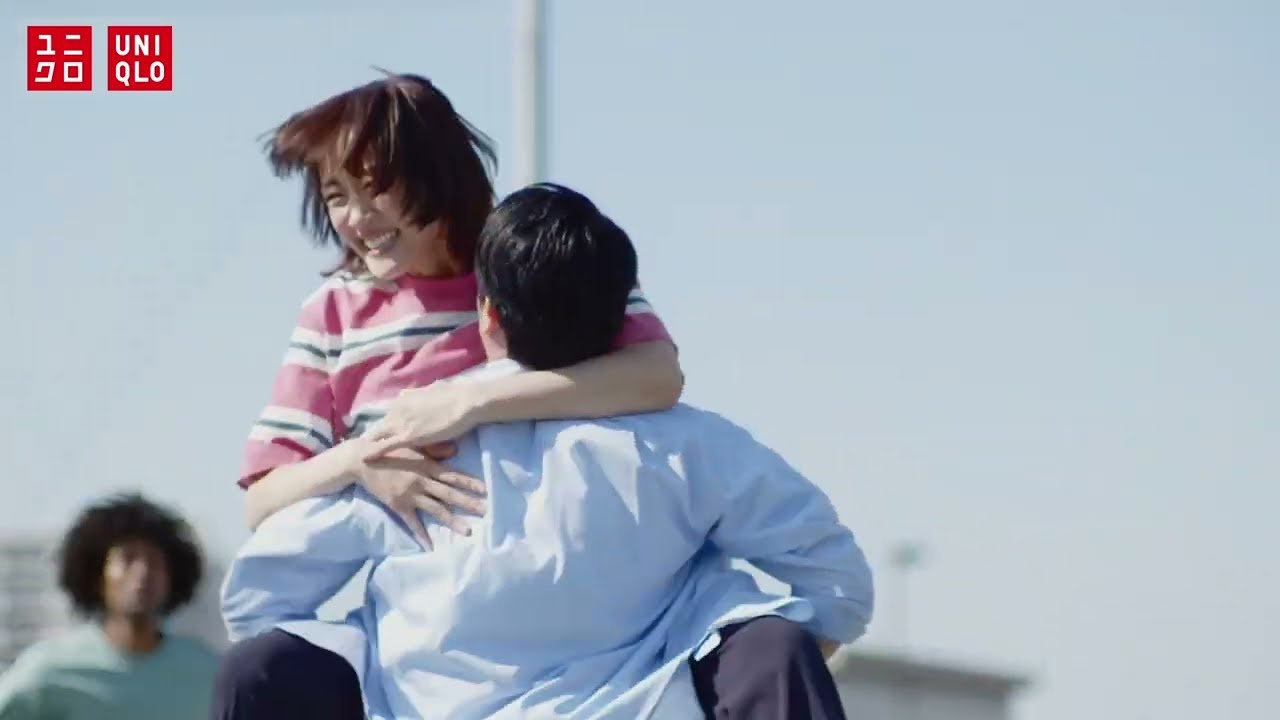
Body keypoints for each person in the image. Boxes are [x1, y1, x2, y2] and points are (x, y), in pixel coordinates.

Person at [217, 184, 874, 719]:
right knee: (773, 643)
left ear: (486, 316)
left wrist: (366, 650)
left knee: (261, 668)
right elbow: (840, 585)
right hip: (645, 706)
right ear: (622, 318)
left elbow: (257, 599)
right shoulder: (689, 450)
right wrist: (721, 648)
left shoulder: (413, 456)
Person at [0, 493, 219, 720]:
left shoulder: (209, 674)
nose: (142, 573)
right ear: (97, 574)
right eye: (128, 559)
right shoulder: (50, 671)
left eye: (154, 562)